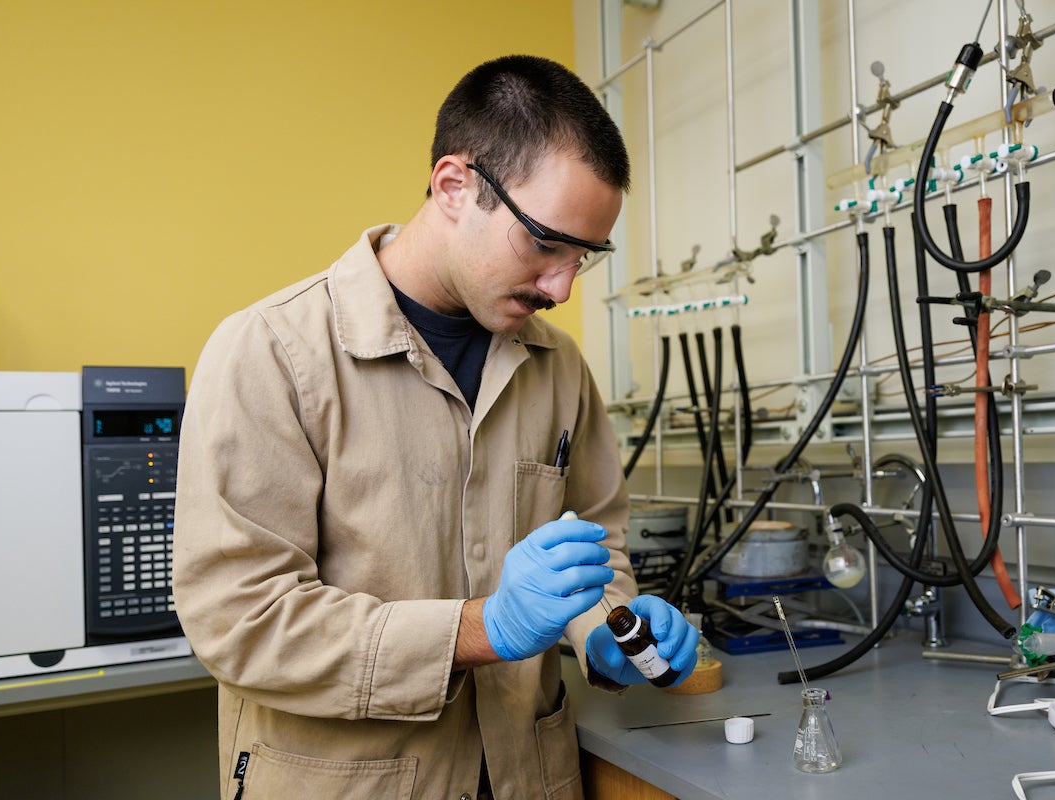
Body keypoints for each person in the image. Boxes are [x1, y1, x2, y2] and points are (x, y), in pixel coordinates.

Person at [172, 54, 698, 800]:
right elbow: (242, 620)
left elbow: (596, 549)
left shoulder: (558, 367)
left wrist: (612, 633)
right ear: (455, 186)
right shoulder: (272, 352)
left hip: (528, 776)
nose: (560, 287)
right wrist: (480, 630)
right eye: (545, 243)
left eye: (584, 258)